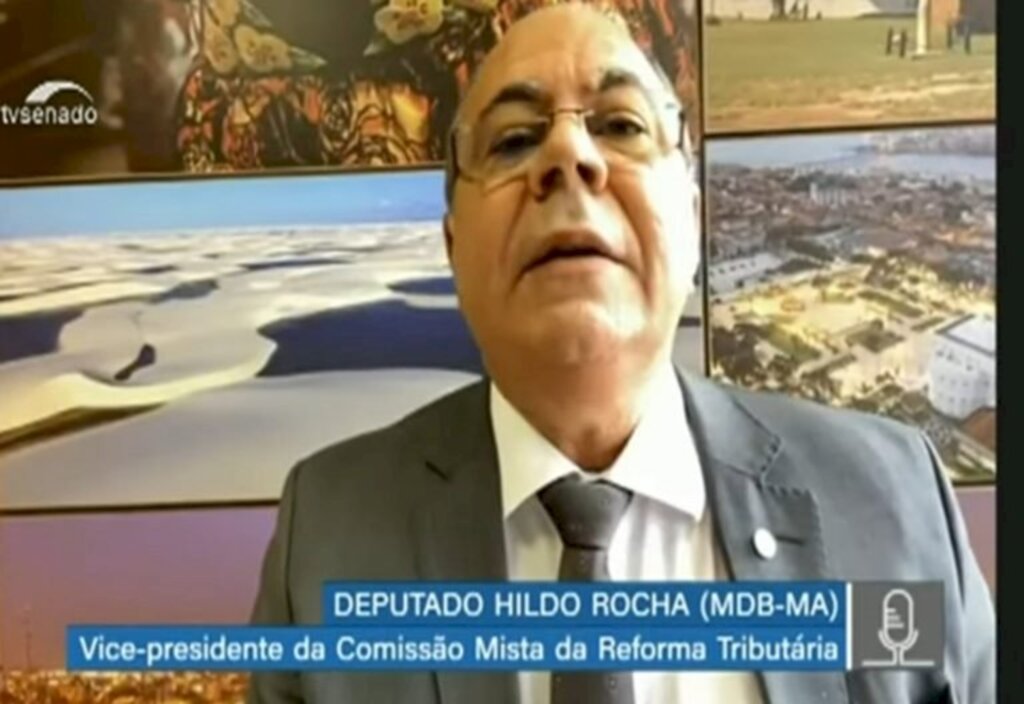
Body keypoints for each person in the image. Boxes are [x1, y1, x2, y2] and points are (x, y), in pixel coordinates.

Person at [246, 4, 995, 703]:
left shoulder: (894, 499)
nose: (569, 153)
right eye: (513, 139)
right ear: (453, 247)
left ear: (693, 221)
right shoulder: (328, 534)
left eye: (621, 125)